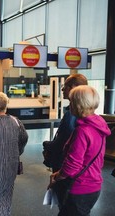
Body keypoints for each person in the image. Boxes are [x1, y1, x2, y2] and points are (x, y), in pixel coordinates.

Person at [49, 85, 111, 216]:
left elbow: (73, 165)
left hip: (79, 187)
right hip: (94, 185)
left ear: (78, 104)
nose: (69, 105)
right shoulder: (99, 124)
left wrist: (58, 176)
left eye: (71, 101)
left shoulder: (82, 131)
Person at [43, 74, 88, 172]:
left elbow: (63, 142)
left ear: (73, 88)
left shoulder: (71, 114)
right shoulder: (87, 112)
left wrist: (47, 145)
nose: (62, 90)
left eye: (65, 87)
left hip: (64, 166)